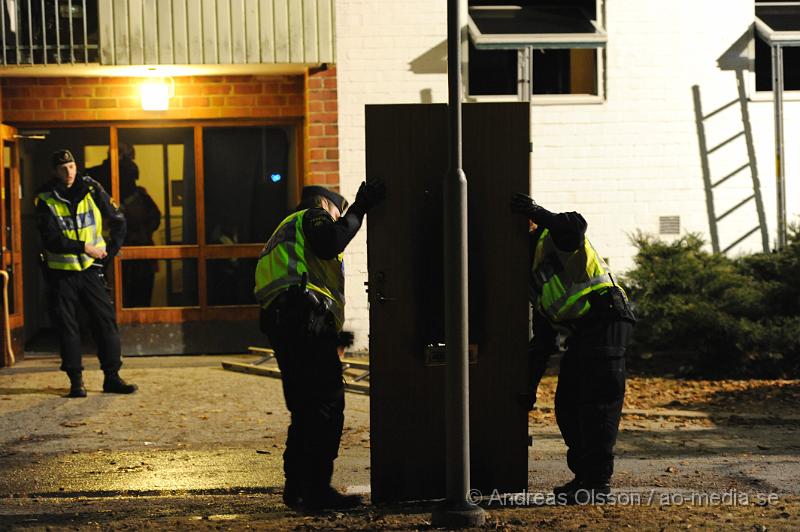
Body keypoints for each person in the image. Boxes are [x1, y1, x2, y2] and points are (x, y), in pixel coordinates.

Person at [254, 179, 385, 512]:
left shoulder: (283, 232)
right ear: (325, 204)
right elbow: (331, 242)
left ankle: (297, 488)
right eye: (336, 212)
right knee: (327, 407)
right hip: (303, 318)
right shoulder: (312, 215)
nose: (337, 217)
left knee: (305, 410)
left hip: (287, 323)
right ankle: (316, 491)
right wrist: (359, 208)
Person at [510, 192, 635, 504]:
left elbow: (574, 226)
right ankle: (585, 477)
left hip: (604, 316)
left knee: (597, 405)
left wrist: (538, 212)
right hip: (583, 332)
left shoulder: (551, 237)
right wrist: (528, 387)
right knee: (568, 405)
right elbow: (542, 340)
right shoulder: (527, 274)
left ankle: (597, 484)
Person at [35, 149, 137, 398]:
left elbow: (118, 220)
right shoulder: (46, 198)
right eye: (62, 168)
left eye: (71, 167)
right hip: (61, 273)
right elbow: (51, 239)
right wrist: (84, 247)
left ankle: (112, 377)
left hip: (92, 270)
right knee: (68, 327)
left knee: (105, 323)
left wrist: (108, 254)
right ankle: (76, 382)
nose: (68, 172)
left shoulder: (92, 190)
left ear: (76, 166)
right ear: (55, 171)